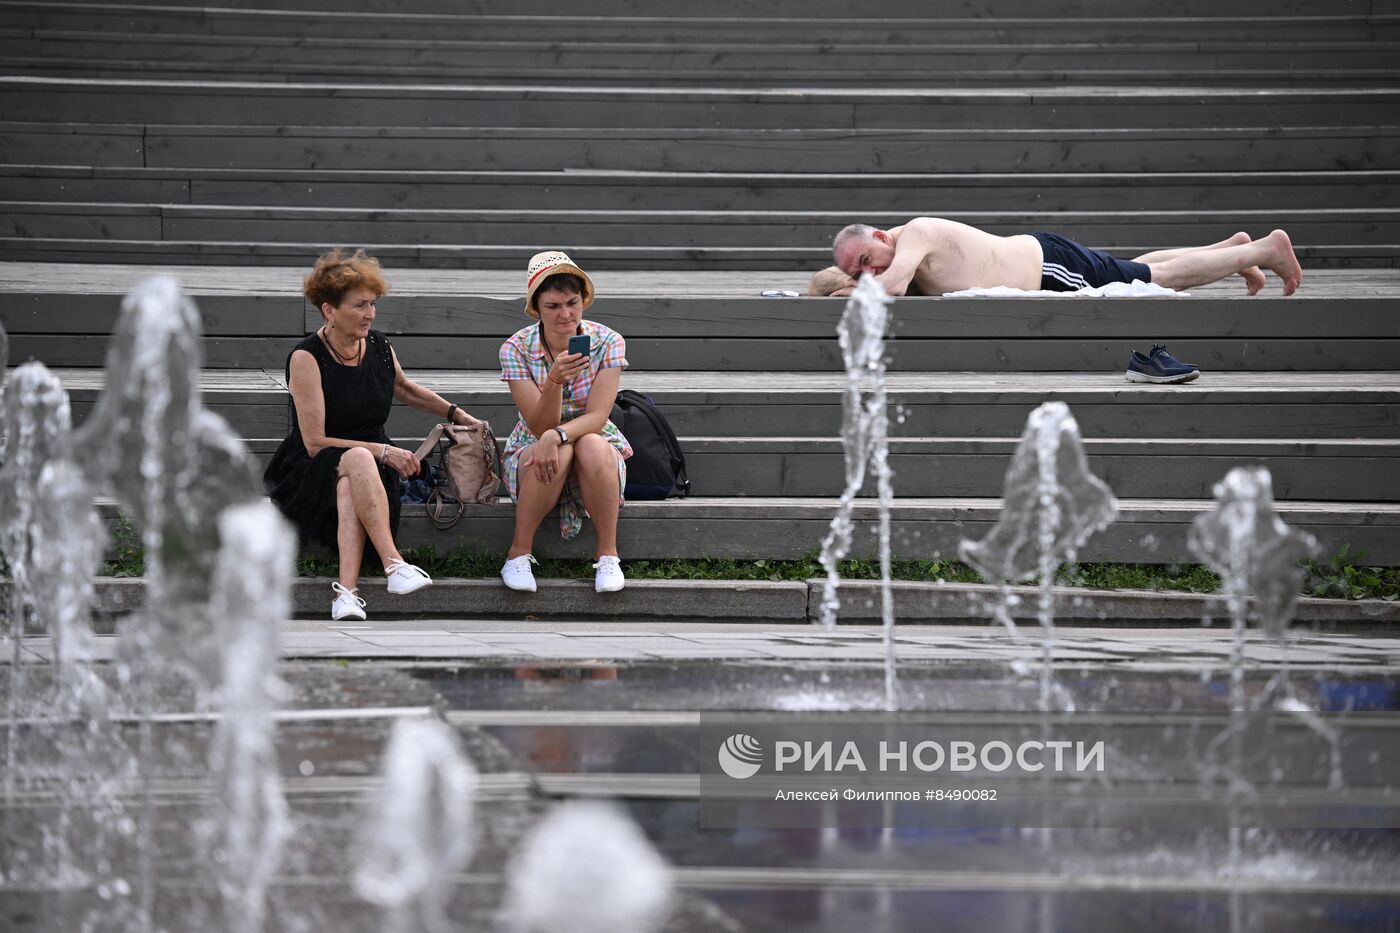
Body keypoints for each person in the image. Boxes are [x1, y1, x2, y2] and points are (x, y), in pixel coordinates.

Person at [264, 248, 475, 621]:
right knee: (357, 460)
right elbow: (315, 442)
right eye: (360, 306)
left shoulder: (377, 345)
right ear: (330, 310)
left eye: (373, 304)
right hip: (311, 467)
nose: (370, 314)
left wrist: (456, 413)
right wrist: (381, 451)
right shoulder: (306, 358)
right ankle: (394, 565)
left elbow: (406, 389)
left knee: (352, 479)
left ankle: (346, 594)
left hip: (367, 468)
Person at [497, 251, 633, 595]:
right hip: (535, 440)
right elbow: (539, 423)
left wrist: (558, 435)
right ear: (536, 309)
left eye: (572, 303)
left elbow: (599, 417)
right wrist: (555, 380)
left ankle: (608, 556)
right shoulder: (515, 348)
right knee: (556, 451)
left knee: (589, 444)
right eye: (553, 306)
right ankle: (518, 552)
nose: (565, 314)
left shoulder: (607, 341)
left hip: (590, 437)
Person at [831, 219, 1303, 298]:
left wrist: (849, 287)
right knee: (1130, 270)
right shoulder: (896, 253)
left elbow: (891, 289)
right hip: (1046, 260)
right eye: (860, 270)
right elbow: (821, 282)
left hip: (1051, 270)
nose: (870, 271)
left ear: (879, 234)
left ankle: (1266, 249)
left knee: (1152, 281)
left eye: (868, 259)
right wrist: (838, 282)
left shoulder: (913, 233)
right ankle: (1231, 250)